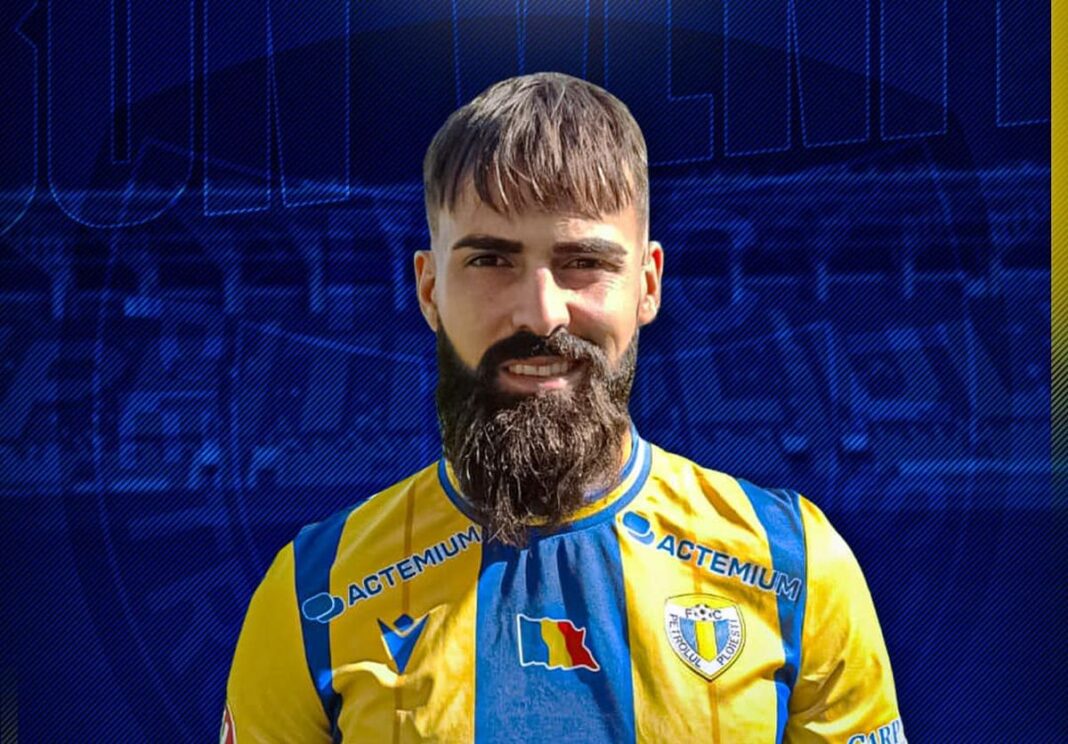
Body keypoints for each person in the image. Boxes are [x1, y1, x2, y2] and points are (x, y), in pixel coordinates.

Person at [224, 71, 904, 744]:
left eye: (584, 262)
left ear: (647, 285)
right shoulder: (313, 594)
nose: (541, 312)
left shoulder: (794, 569)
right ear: (429, 290)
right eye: (491, 261)